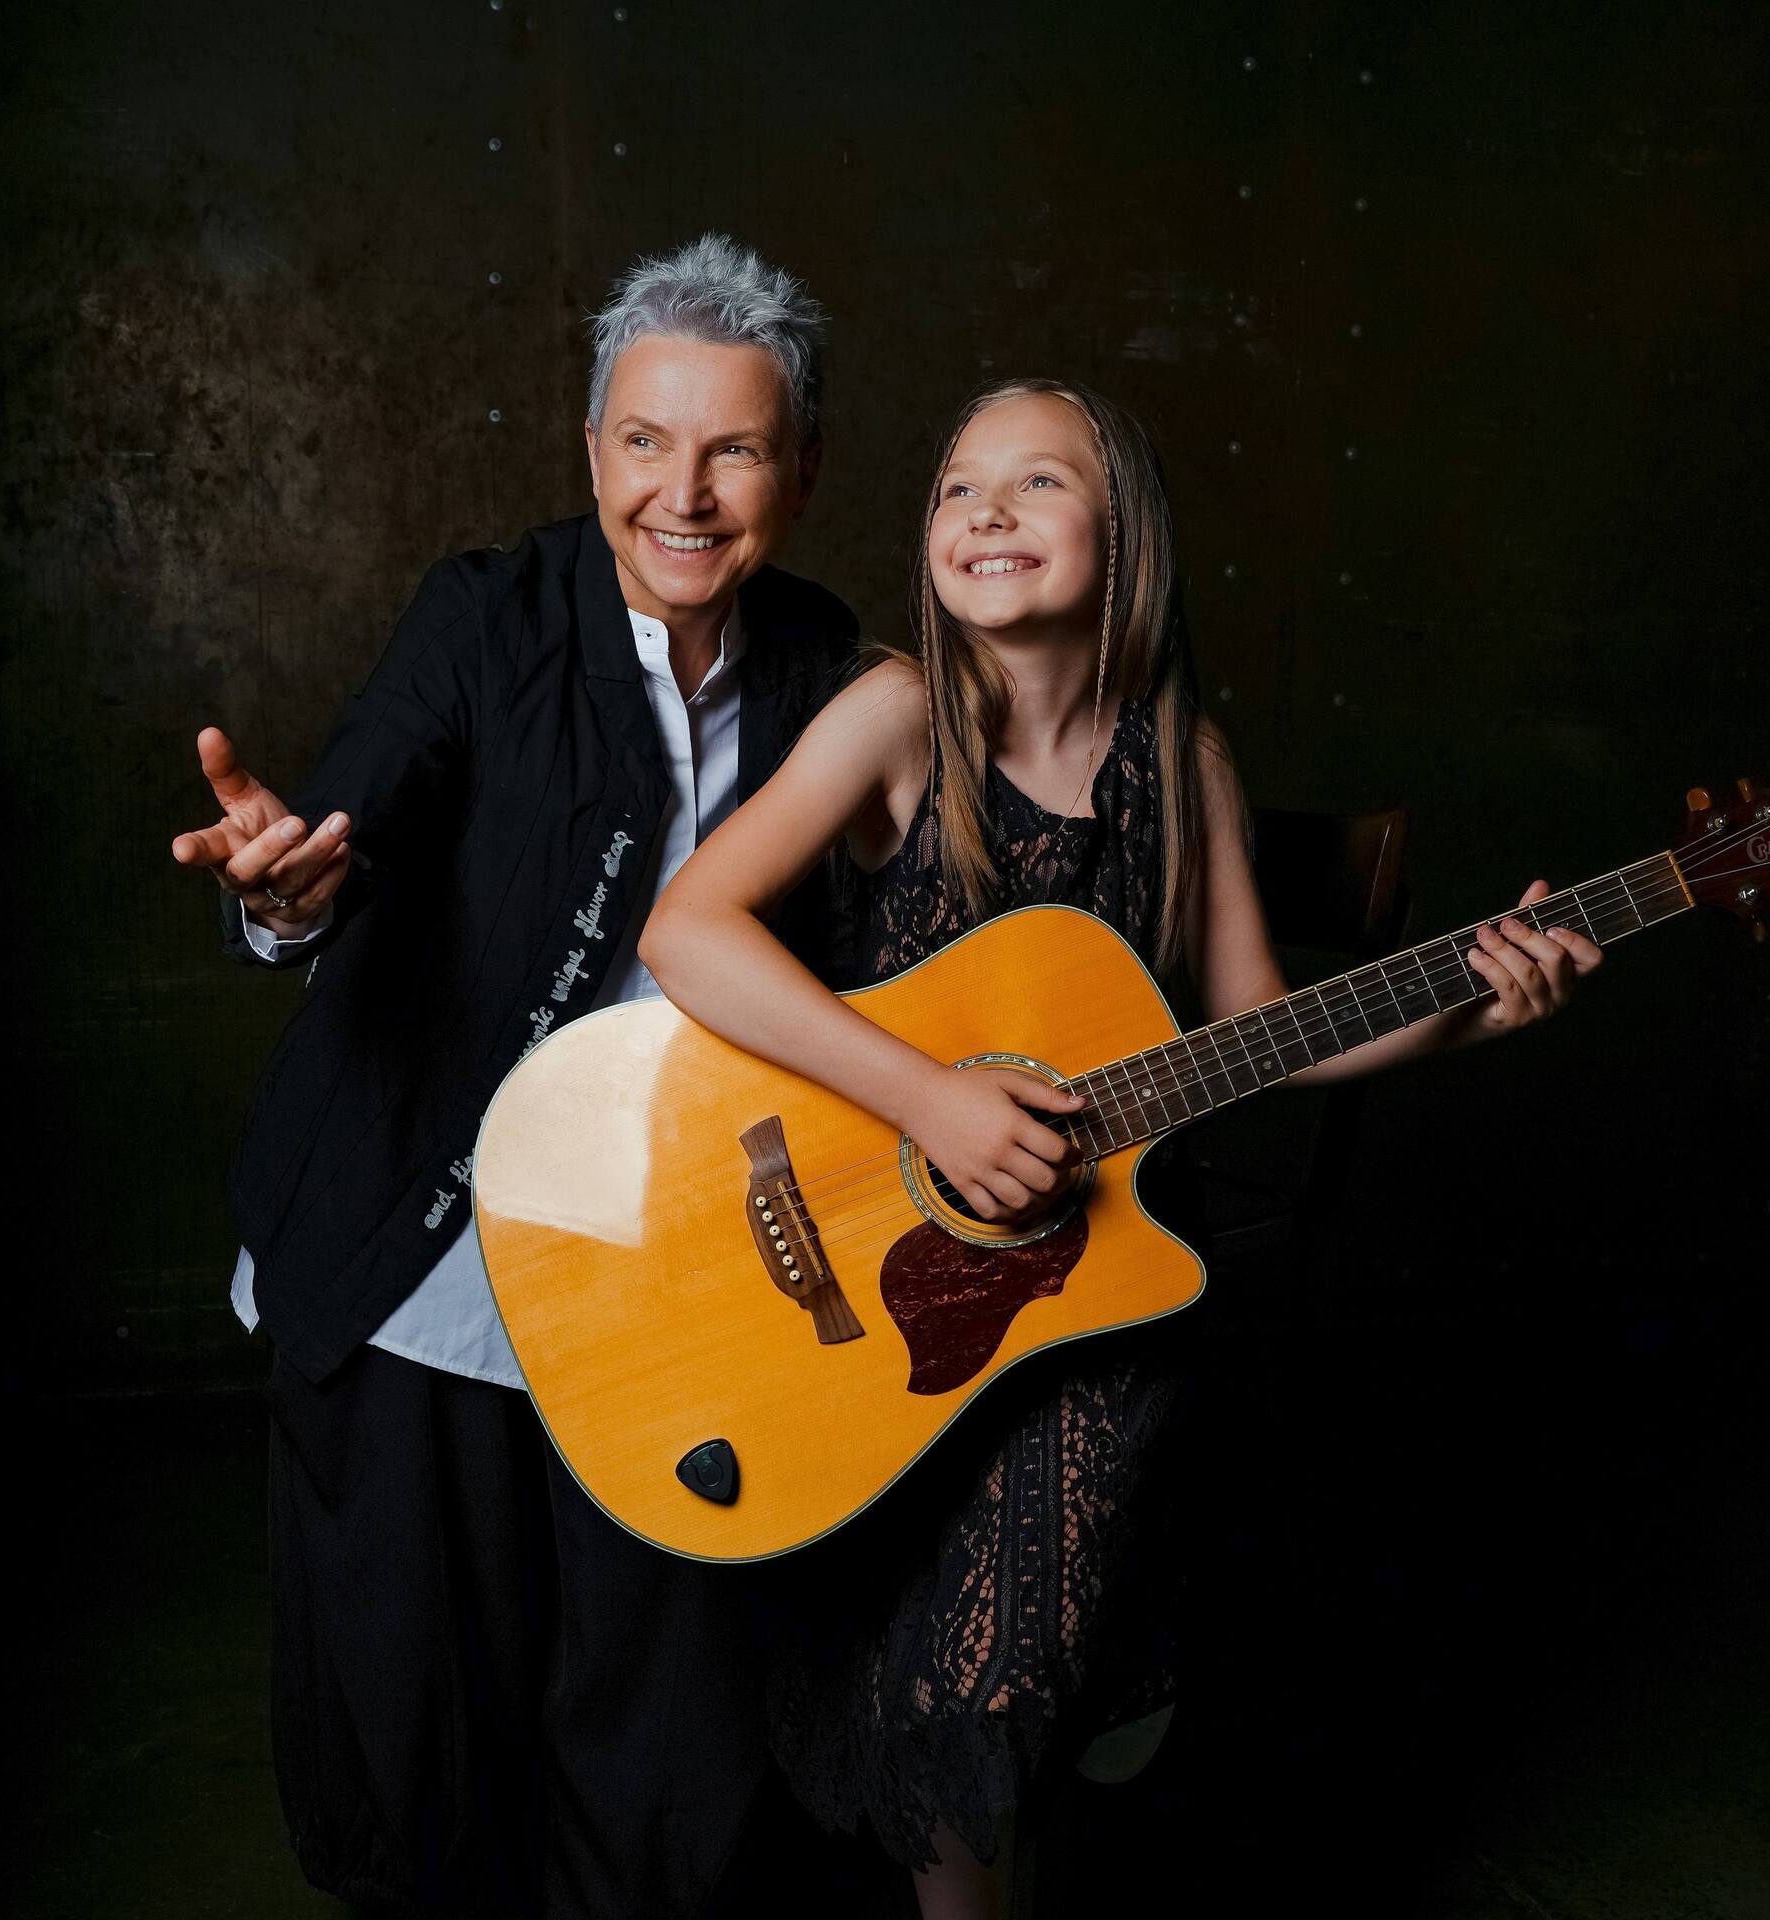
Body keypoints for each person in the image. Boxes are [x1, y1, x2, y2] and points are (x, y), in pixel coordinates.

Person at [637, 375, 1603, 1918]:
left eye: (1039, 482)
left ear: (1127, 531)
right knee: (923, 1648)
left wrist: (1472, 1014)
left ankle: (1076, 1712)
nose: (988, 511)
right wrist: (929, 1099)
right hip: (883, 1262)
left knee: (1007, 1638)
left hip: (1093, 1289)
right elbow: (687, 932)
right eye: (960, 487)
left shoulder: (1183, 761)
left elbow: (1265, 1027)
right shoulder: (899, 720)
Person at [169, 234, 857, 1919]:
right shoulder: (487, 613)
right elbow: (356, 812)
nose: (682, 494)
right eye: (645, 440)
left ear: (801, 471)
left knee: (665, 1719)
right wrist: (291, 889)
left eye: (734, 448)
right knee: (417, 1721)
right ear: (591, 446)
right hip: (425, 1239)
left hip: (676, 1260)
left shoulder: (827, 662)